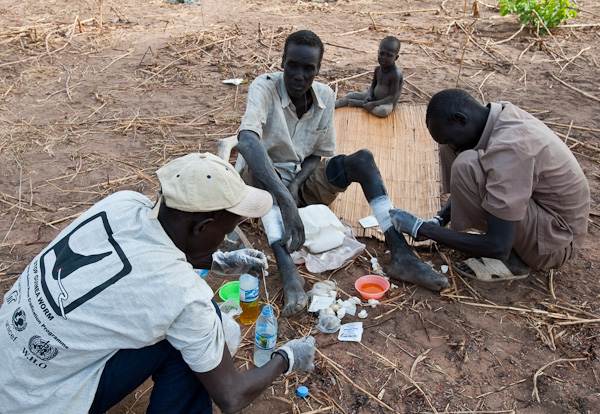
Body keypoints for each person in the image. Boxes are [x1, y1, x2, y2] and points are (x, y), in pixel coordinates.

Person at [0, 152, 316, 414]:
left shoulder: (122, 203)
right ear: (203, 227)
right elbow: (230, 397)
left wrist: (215, 260)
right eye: (225, 232)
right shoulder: (185, 295)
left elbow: (137, 254)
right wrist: (285, 359)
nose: (226, 240)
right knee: (198, 342)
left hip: (10, 367)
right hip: (38, 404)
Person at [237, 30, 448, 317]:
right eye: (292, 66)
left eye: (308, 68)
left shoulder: (324, 95)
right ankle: (288, 271)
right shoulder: (264, 87)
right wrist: (286, 199)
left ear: (318, 69)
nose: (299, 75)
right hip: (264, 179)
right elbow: (248, 141)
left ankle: (400, 252)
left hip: (299, 178)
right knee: (265, 176)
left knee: (362, 160)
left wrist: (297, 184)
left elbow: (315, 155)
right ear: (282, 63)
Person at [390, 89, 590, 282]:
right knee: (463, 160)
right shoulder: (496, 116)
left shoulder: (512, 147)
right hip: (545, 220)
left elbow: (498, 245)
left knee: (465, 164)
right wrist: (439, 220)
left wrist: (423, 230)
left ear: (461, 118)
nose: (452, 146)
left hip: (554, 243)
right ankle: (506, 237)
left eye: (451, 139)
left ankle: (514, 260)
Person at [335, 36, 403, 118]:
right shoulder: (378, 69)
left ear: (396, 58)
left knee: (383, 111)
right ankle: (335, 104)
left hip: (386, 103)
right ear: (378, 52)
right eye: (381, 53)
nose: (384, 57)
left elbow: (392, 97)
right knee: (350, 94)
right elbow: (373, 86)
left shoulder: (395, 74)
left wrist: (374, 103)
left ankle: (360, 104)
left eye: (389, 55)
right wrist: (369, 95)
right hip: (374, 97)